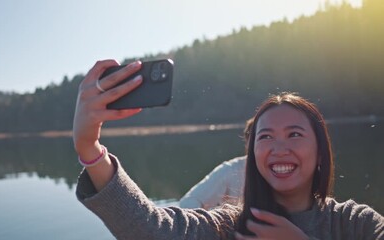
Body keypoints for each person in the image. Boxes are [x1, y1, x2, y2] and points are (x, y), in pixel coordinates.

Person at [73, 60, 384, 239]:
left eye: (294, 134)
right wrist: (89, 147)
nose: (278, 148)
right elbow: (149, 228)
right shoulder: (228, 226)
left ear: (320, 151)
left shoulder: (356, 223)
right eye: (265, 137)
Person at [179, 118, 253, 209]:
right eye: (260, 138)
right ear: (247, 142)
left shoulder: (275, 170)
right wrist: (208, 221)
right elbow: (188, 203)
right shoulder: (231, 170)